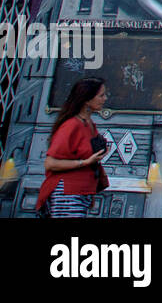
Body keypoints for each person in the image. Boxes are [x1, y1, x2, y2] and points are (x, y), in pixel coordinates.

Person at [37, 77, 109, 218]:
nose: (105, 99)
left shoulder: (89, 124)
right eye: (101, 95)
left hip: (80, 192)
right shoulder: (71, 126)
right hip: (68, 192)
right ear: (87, 100)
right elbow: (50, 163)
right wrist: (85, 162)